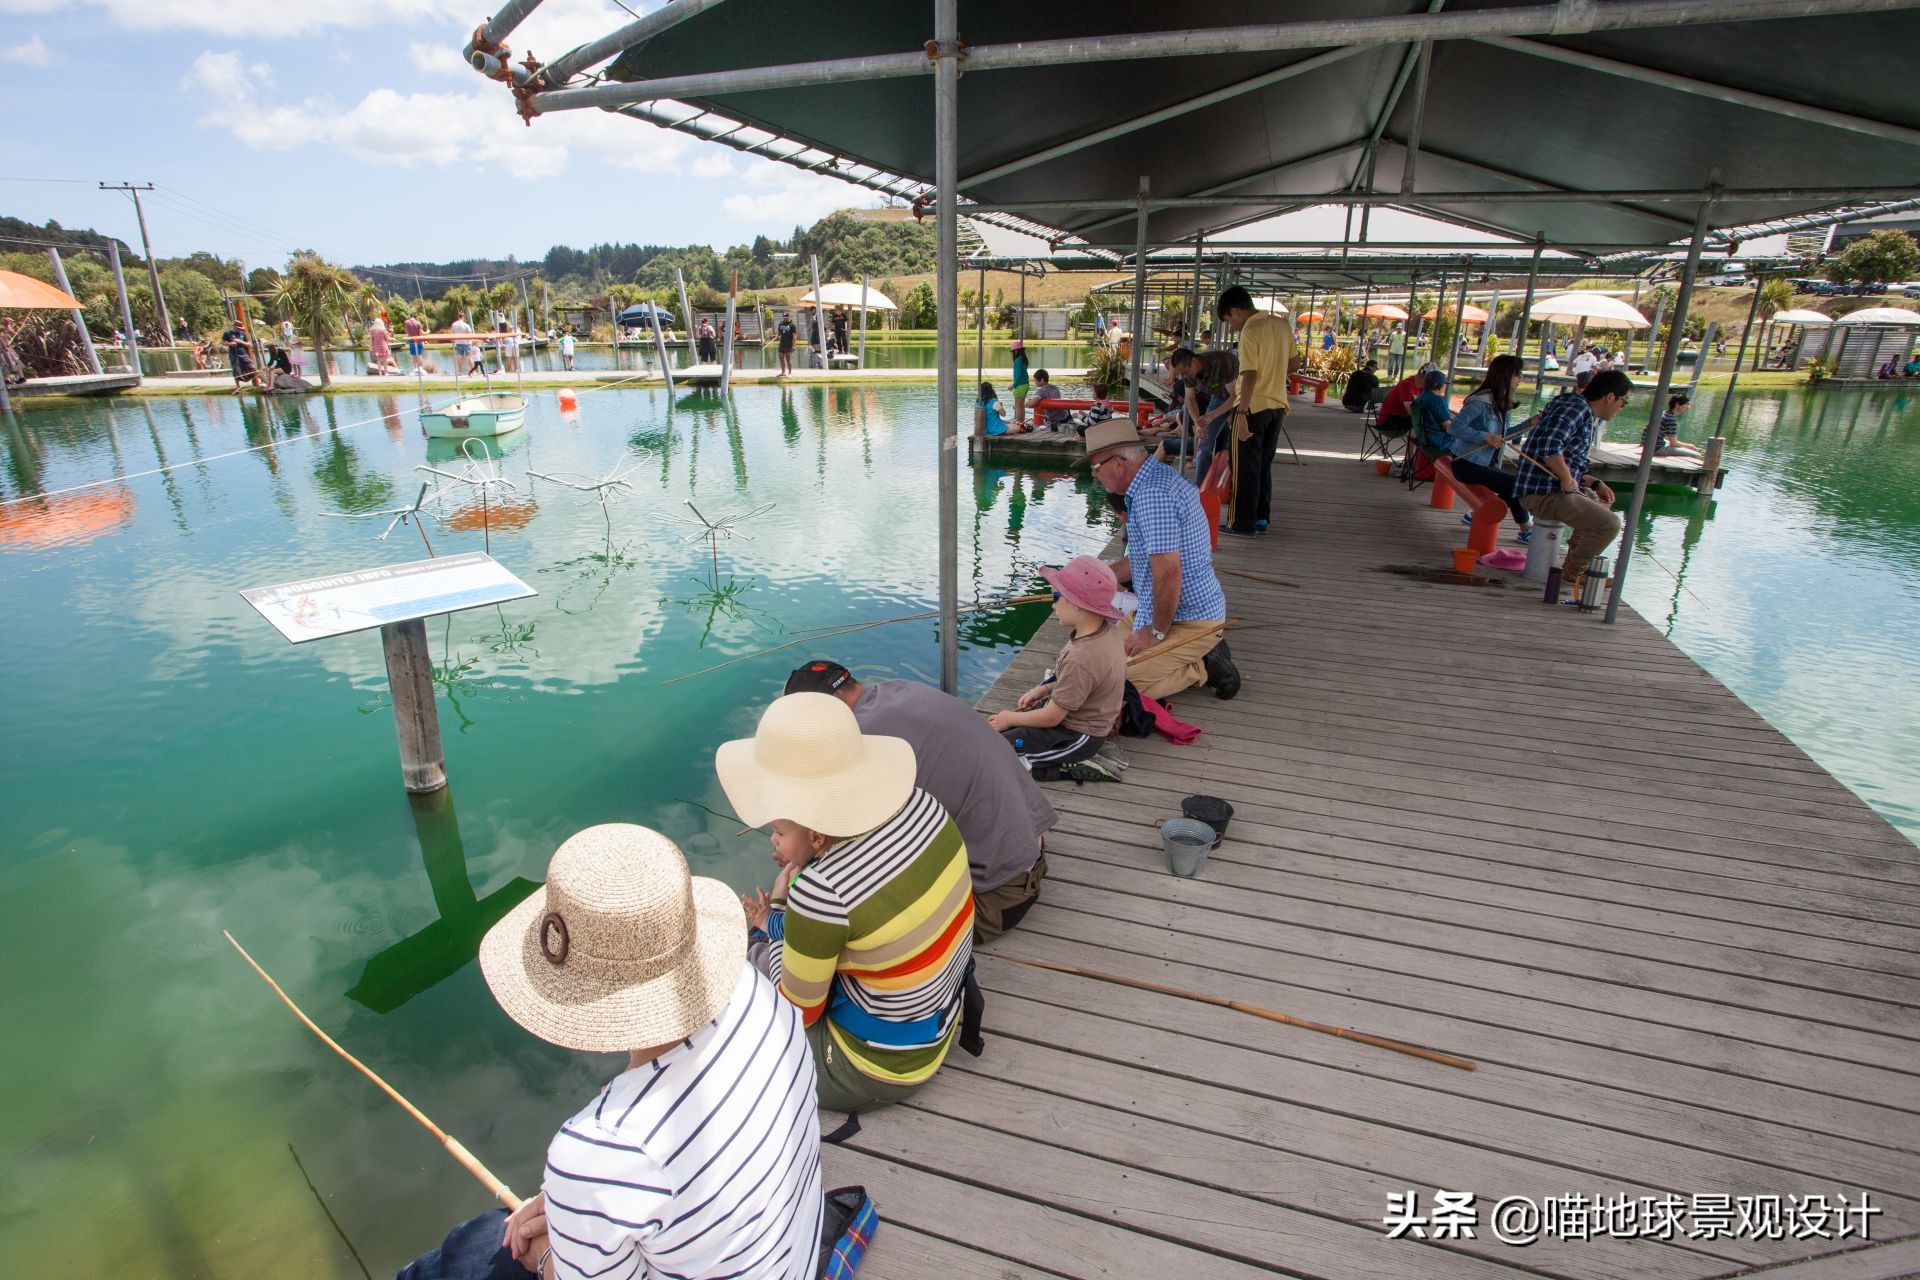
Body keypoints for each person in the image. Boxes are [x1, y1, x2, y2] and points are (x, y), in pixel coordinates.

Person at [395, 824, 823, 1280]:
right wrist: (577, 1204)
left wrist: (543, 1254)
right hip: (792, 1257)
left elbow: (618, 1167)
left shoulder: (602, 1148)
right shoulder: (763, 995)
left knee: (471, 1251)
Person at [719, 693, 975, 1113]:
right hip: (940, 1016)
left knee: (732, 1012)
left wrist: (783, 903)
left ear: (818, 836)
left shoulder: (822, 889)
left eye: (780, 828)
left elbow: (797, 1013)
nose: (772, 838)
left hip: (877, 1066)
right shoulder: (926, 806)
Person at [783, 660, 1056, 941]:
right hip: (1029, 853)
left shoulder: (862, 740)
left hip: (994, 900)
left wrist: (801, 854)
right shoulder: (900, 690)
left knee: (846, 918)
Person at [1083, 419, 1239, 700]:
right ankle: (1192, 655)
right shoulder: (1150, 483)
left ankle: (1203, 665)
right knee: (1092, 666)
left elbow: (1168, 575)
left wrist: (1154, 632)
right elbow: (1143, 561)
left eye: (1095, 467)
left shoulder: (1153, 496)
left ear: (1118, 463)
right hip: (1154, 610)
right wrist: (1096, 577)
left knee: (1115, 685)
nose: (1094, 475)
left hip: (1188, 620)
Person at [988, 556, 1127, 776]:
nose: (1053, 605)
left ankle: (1081, 765)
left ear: (1077, 604)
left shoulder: (1083, 657)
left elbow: (1052, 717)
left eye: (1056, 597)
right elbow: (1078, 682)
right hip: (1071, 719)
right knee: (992, 739)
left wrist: (1010, 718)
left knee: (1000, 759)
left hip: (1075, 736)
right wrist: (1044, 689)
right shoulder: (1104, 631)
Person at [1511, 370, 1632, 599]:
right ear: (1609, 397)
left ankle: (1572, 565)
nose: (1621, 407)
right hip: (1542, 493)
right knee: (1610, 524)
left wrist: (1595, 483)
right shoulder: (1576, 408)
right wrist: (1567, 480)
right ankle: (1576, 570)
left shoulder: (1578, 408)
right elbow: (1550, 446)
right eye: (1623, 401)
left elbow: (1574, 463)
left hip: (1551, 490)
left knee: (1599, 505)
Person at [1216, 285, 1293, 537]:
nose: (1232, 325)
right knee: (1263, 464)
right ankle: (1261, 518)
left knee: (1244, 467)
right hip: (1277, 405)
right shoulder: (1281, 325)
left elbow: (1249, 374)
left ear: (1237, 311)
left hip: (1252, 406)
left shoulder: (1250, 330)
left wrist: (1241, 414)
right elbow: (1295, 363)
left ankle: (1241, 524)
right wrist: (1274, 375)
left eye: (1229, 320)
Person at [1443, 354, 1535, 537]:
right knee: (1516, 484)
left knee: (1514, 485)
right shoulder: (1480, 402)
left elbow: (1502, 437)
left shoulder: (1500, 403)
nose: (1520, 379)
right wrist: (1485, 437)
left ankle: (1524, 528)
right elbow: (1454, 428)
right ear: (1506, 375)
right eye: (1518, 374)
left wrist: (1529, 423)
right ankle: (1525, 529)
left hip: (1483, 464)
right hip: (1466, 463)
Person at [1165, 346, 1238, 485]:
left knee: (1239, 444)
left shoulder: (1221, 362)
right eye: (1181, 375)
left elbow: (1235, 397)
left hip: (1243, 400)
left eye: (1185, 373)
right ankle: (1199, 489)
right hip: (1219, 397)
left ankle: (1236, 484)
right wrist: (1198, 423)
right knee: (1204, 444)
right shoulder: (1188, 374)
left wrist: (1211, 416)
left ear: (1194, 361)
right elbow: (1190, 399)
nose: (1185, 377)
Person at [1653, 391, 1705, 457]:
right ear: (1677, 404)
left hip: (1649, 445)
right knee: (1697, 455)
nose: (1688, 407)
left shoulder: (1664, 413)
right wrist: (1689, 446)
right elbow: (1673, 443)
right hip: (1656, 449)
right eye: (1687, 404)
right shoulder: (1671, 419)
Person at [220, 321, 257, 389]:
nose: (240, 329)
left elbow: (249, 345)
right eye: (238, 328)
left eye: (240, 328)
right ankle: (238, 386)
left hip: (243, 353)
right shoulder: (227, 333)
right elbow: (223, 342)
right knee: (235, 369)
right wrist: (230, 344)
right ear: (234, 327)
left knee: (252, 367)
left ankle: (253, 381)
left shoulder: (243, 334)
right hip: (233, 353)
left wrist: (240, 341)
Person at [1009, 339, 1030, 429]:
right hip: (1025, 384)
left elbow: (1018, 375)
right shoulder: (1023, 359)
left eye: (1013, 351)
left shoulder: (1017, 361)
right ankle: (1021, 422)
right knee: (1021, 406)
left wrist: (1013, 385)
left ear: (1016, 351)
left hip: (1020, 385)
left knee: (1018, 406)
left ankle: (1018, 423)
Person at [451, 312, 476, 376]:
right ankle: (473, 371)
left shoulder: (454, 324)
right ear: (463, 317)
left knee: (459, 357)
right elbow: (470, 334)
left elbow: (452, 333)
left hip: (458, 343)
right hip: (467, 343)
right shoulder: (466, 325)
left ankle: (459, 371)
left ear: (458, 317)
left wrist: (453, 340)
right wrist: (473, 341)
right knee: (469, 357)